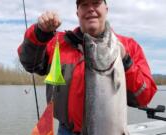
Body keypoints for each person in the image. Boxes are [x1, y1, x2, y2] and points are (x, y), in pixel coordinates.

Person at [17, 0, 157, 134]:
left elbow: (144, 97)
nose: (90, 9)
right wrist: (40, 33)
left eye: (96, 3)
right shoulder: (58, 43)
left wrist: (126, 61)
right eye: (84, 4)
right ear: (77, 13)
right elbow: (30, 63)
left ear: (106, 9)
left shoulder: (128, 46)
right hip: (66, 131)